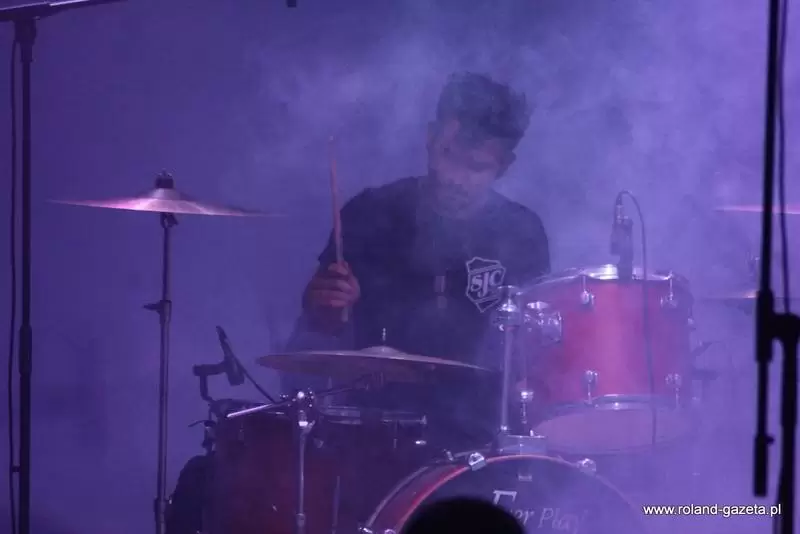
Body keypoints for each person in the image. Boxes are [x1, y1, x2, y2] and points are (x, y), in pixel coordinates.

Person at [284, 71, 550, 446]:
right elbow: (310, 341)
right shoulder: (369, 214)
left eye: (476, 167)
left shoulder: (523, 233)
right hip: (373, 429)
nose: (455, 177)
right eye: (448, 155)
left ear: (504, 165)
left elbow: (533, 353)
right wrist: (326, 311)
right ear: (429, 138)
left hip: (481, 434)